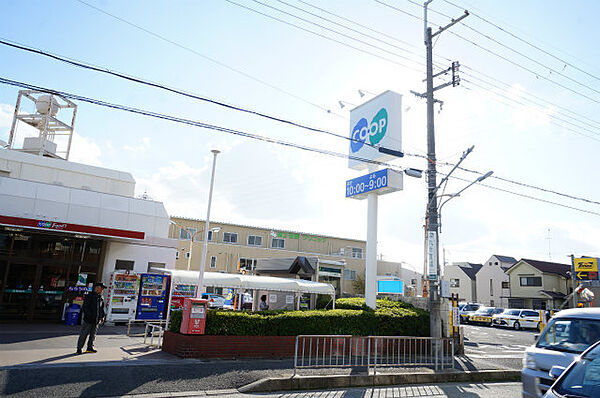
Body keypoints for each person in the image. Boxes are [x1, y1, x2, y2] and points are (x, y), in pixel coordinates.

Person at [76, 282, 106, 354]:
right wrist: (90, 316)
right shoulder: (89, 296)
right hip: (88, 320)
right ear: (96, 288)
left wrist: (102, 316)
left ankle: (90, 347)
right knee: (84, 334)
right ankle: (79, 349)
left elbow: (101, 308)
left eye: (102, 289)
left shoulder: (101, 297)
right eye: (101, 288)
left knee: (93, 335)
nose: (102, 290)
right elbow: (85, 308)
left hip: (96, 320)